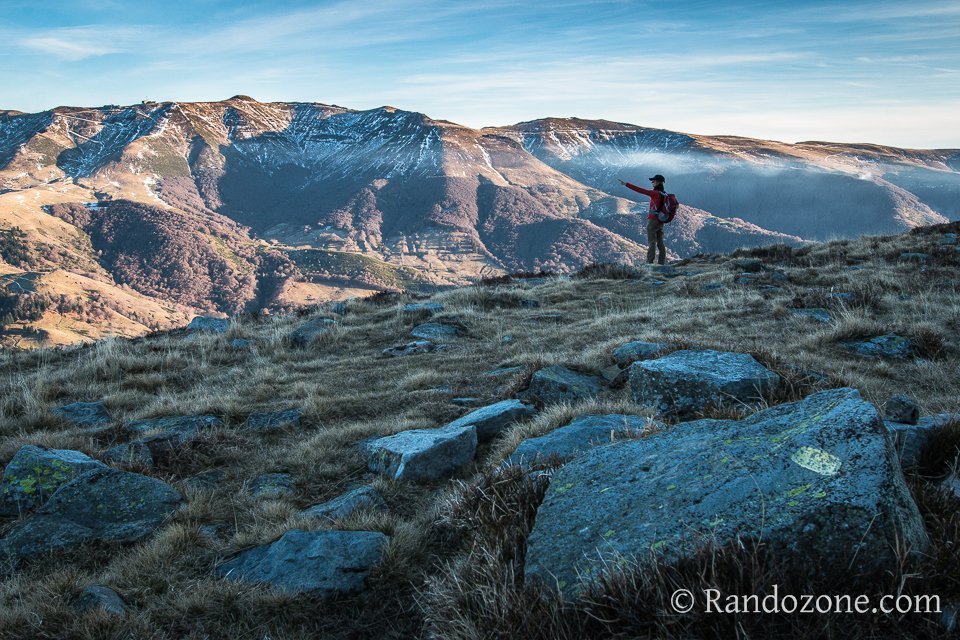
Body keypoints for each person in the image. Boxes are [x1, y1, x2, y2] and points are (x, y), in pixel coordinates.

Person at [619, 174, 668, 265]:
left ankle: (649, 263)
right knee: (660, 242)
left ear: (658, 182)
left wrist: (626, 184)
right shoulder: (664, 194)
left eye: (653, 181)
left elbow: (640, 190)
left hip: (653, 220)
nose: (652, 182)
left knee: (652, 241)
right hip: (661, 220)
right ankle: (661, 263)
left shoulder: (655, 193)